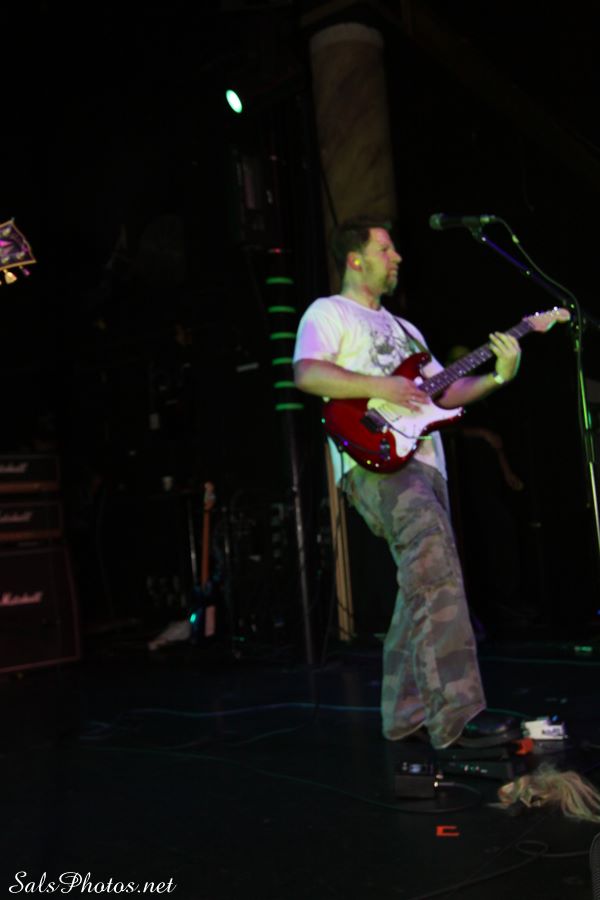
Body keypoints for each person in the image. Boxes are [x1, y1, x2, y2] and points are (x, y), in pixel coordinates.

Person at [293, 217, 521, 750]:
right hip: (378, 463)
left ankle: (405, 714)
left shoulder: (408, 331)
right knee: (435, 567)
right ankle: (457, 716)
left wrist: (497, 376)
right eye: (385, 249)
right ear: (356, 259)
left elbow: (444, 391)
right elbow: (307, 374)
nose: (396, 257)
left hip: (426, 463)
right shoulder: (328, 312)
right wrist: (385, 386)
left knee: (423, 578)